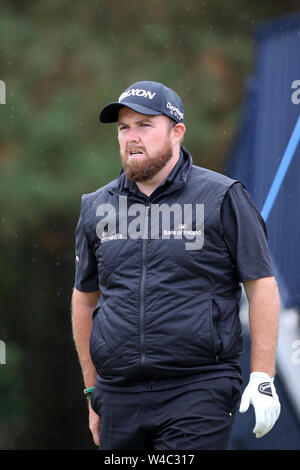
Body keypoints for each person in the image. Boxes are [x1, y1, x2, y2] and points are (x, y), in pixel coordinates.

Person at [71, 81, 281, 450]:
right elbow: (85, 298)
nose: (131, 137)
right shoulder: (96, 206)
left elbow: (261, 284)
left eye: (144, 125)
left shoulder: (222, 196)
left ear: (177, 132)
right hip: (118, 394)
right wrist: (92, 389)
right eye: (124, 128)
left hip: (198, 388)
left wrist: (262, 375)